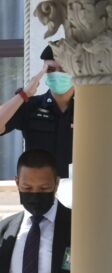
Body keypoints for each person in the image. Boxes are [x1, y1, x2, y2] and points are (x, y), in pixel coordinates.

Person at [0, 45, 75, 178]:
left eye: (63, 69)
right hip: (39, 191)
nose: (57, 74)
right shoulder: (31, 106)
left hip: (77, 190)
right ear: (44, 72)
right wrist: (24, 93)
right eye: (51, 70)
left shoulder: (87, 111)